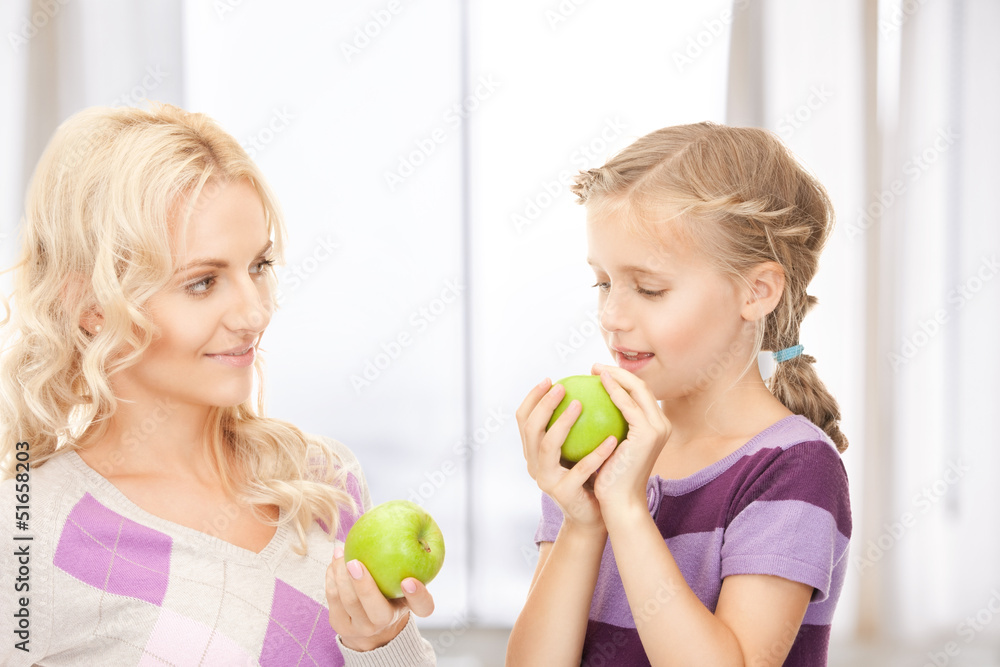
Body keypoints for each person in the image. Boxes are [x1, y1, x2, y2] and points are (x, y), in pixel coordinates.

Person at [0, 103, 437, 666]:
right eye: (203, 282)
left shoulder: (324, 483)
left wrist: (383, 644)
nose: (253, 313)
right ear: (91, 306)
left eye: (258, 267)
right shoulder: (28, 524)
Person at [507, 122, 852, 666]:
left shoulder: (795, 469)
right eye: (603, 283)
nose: (611, 316)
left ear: (755, 291)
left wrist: (625, 510)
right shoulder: (599, 450)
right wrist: (582, 521)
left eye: (650, 289)